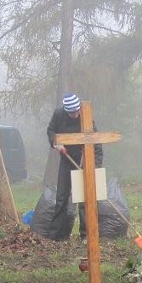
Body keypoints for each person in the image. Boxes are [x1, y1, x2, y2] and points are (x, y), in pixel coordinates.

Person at [46, 92, 103, 241]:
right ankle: (57, 235)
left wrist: (94, 166)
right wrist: (57, 144)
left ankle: (86, 235)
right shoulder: (58, 114)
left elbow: (96, 143)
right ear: (66, 110)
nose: (74, 114)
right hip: (66, 160)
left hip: (85, 162)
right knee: (62, 198)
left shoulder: (86, 115)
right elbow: (51, 131)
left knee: (86, 199)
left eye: (76, 111)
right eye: (71, 112)